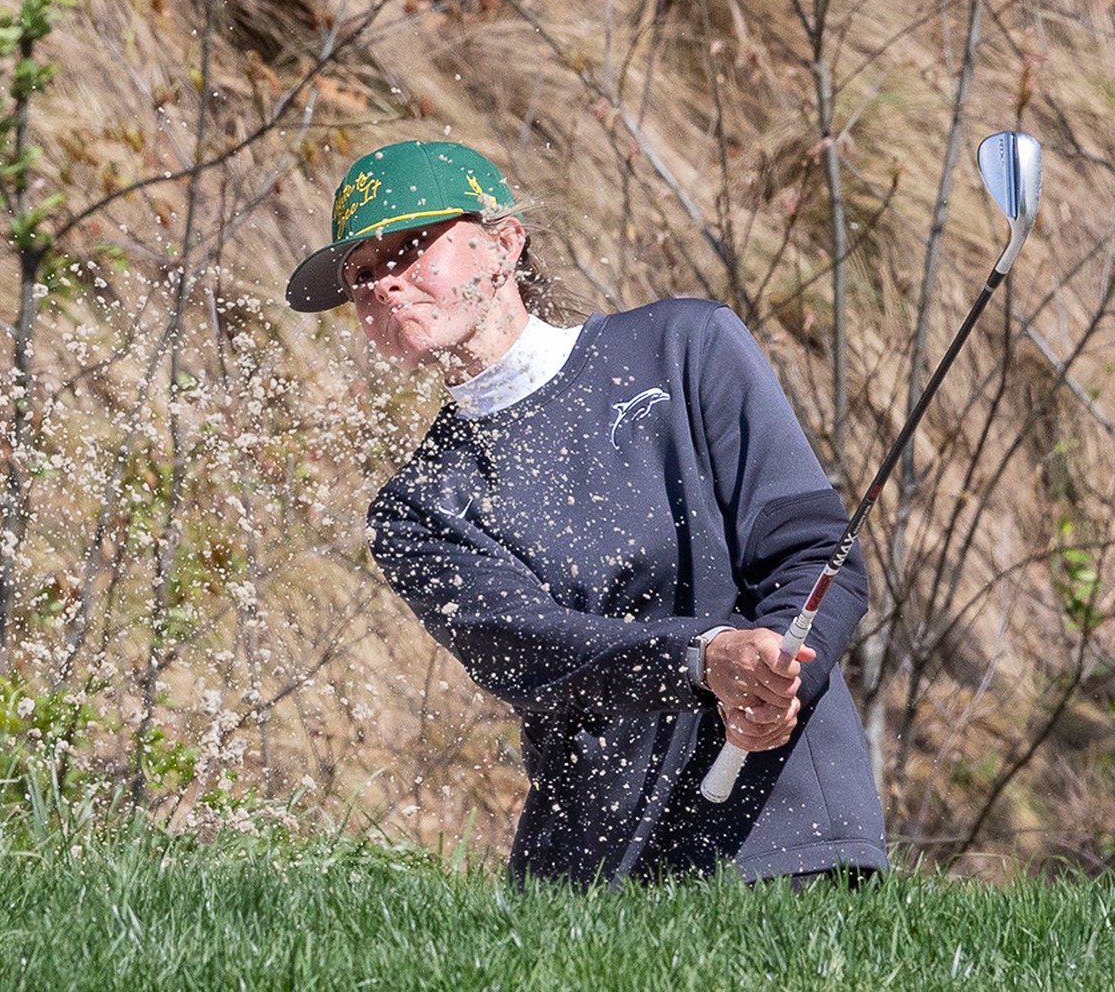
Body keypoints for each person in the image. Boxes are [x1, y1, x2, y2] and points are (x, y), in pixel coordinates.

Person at [286, 139, 887, 885]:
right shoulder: (416, 508)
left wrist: (779, 664)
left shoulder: (686, 346)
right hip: (593, 872)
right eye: (363, 277)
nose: (384, 286)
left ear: (504, 245)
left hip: (784, 836)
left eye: (408, 250)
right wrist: (704, 659)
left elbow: (813, 553)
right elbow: (532, 651)